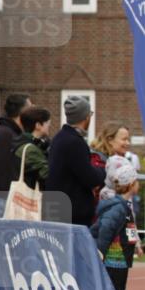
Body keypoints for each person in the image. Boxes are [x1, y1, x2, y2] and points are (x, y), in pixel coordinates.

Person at [44, 95, 105, 226]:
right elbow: (90, 177)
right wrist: (103, 170)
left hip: (60, 209)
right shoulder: (74, 142)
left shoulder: (59, 137)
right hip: (73, 214)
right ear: (86, 117)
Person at [90, 161, 142, 290]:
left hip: (122, 258)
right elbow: (106, 228)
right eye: (137, 181)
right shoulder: (118, 208)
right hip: (114, 259)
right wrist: (100, 252)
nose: (139, 185)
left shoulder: (125, 206)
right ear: (131, 184)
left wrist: (136, 244)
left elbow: (129, 226)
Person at [0, 92, 31, 215]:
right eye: (30, 109)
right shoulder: (6, 134)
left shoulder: (12, 133)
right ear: (22, 113)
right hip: (4, 200)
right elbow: (5, 169)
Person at [11, 106, 51, 190]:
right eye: (47, 122)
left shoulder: (21, 141)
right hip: (29, 196)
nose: (49, 125)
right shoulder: (30, 149)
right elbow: (47, 175)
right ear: (38, 125)